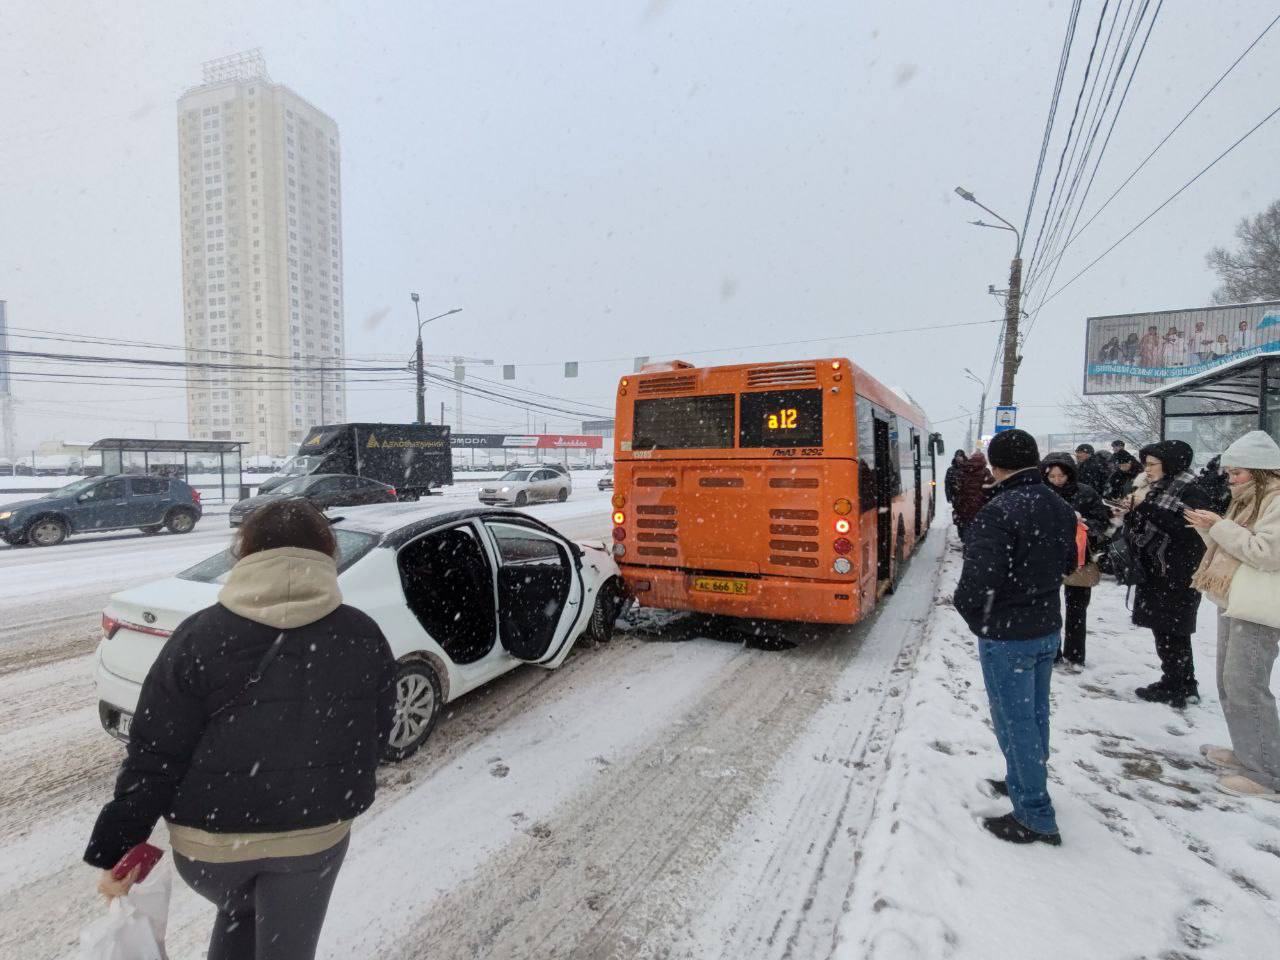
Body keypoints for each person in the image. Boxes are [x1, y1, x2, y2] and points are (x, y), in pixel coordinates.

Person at [84, 499, 397, 960]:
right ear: (326, 555)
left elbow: (154, 753)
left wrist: (118, 844)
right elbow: (377, 736)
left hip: (210, 848)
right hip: (312, 841)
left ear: (243, 553)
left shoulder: (199, 636)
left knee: (240, 916)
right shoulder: (363, 634)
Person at [954, 429, 1077, 846]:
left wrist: (975, 615)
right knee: (1035, 715)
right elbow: (1070, 561)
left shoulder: (999, 509)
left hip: (1009, 635)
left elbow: (979, 579)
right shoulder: (1058, 505)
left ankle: (1035, 816)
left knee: (1015, 720)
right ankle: (1025, 780)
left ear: (995, 464)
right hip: (1045, 628)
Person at [1188, 431, 1280, 802]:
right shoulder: (1249, 500)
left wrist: (1219, 527)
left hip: (1259, 608)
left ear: (1260, 471)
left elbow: (1266, 554)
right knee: (1230, 684)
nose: (1230, 480)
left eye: (1236, 473)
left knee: (1246, 686)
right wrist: (1206, 528)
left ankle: (1267, 773)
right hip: (1235, 600)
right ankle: (1249, 754)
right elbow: (1233, 548)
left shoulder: (1275, 500)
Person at [1116, 439, 1211, 709]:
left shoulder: (1191, 491)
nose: (1147, 469)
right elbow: (1150, 523)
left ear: (1169, 464)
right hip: (1157, 570)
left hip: (1177, 573)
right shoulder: (1158, 488)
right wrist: (1130, 513)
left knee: (1173, 631)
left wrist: (1144, 507)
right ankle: (1183, 681)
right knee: (1167, 630)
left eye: (1152, 464)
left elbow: (1188, 532)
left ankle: (1176, 685)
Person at [1042, 452, 1112, 669]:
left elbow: (1102, 521)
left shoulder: (1086, 492)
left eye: (1060, 476)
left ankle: (1075, 655)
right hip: (1046, 559)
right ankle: (1052, 653)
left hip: (1080, 560)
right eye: (1052, 476)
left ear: (1070, 474)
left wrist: (1083, 522)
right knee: (1049, 608)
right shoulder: (1041, 494)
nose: (1056, 481)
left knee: (1077, 609)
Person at [951, 448, 993, 541]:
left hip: (964, 506)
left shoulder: (963, 470)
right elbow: (991, 489)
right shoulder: (985, 472)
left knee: (965, 528)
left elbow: (957, 488)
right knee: (977, 532)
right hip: (979, 506)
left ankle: (966, 545)